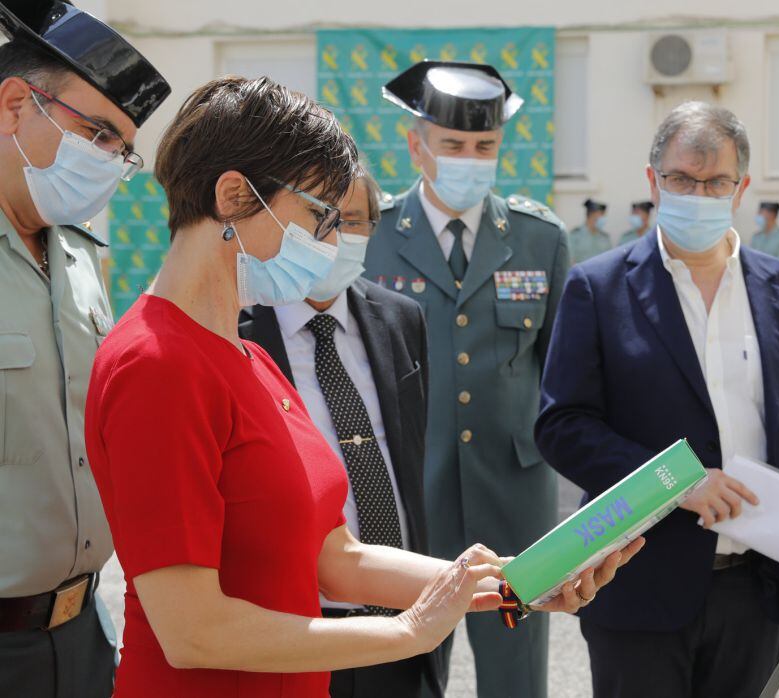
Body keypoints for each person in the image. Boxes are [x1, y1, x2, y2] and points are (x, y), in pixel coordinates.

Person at [83, 75, 636, 698]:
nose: (331, 242)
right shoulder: (157, 364)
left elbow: (335, 559)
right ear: (235, 196)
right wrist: (408, 634)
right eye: (319, 215)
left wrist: (509, 581)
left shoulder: (246, 359)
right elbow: (191, 630)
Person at [535, 101, 779, 698]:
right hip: (637, 584)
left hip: (756, 587)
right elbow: (562, 426)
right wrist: (677, 482)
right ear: (653, 181)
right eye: (680, 179)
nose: (697, 192)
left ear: (740, 188)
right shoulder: (597, 287)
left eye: (714, 181)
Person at [364, 60, 571, 698]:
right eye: (453, 145)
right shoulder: (371, 235)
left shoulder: (540, 239)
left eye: (484, 147)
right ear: (416, 145)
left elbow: (560, 376)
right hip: (409, 494)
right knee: (411, 661)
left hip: (514, 495)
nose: (469, 159)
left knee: (516, 671)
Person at [0, 3, 170, 696]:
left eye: (120, 148)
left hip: (83, 635)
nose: (107, 160)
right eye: (96, 132)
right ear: (15, 104)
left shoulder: (77, 255)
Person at [239, 164, 443, 698]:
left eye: (351, 220)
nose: (334, 237)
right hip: (296, 623)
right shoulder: (236, 330)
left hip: (402, 620)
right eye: (319, 219)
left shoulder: (402, 319)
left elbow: (408, 456)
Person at [568, 197, 611, 263]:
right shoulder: (575, 235)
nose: (603, 218)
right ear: (592, 214)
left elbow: (609, 260)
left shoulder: (605, 237)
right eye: (601, 214)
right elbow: (570, 260)